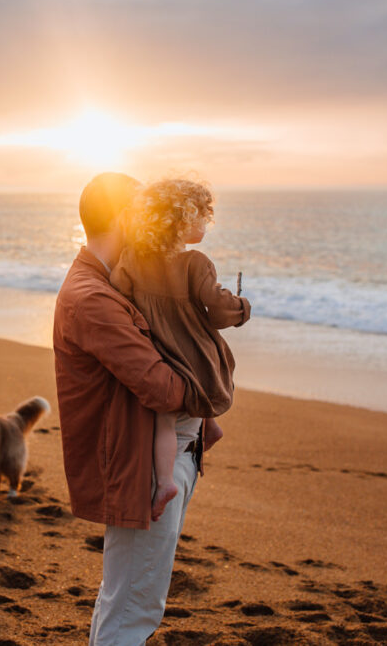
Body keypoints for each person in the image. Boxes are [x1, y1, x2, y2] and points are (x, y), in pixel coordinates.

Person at [53, 172, 210, 645]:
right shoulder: (93, 298)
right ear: (125, 217)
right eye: (144, 210)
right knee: (135, 607)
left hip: (159, 452)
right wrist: (210, 377)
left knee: (124, 598)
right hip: (139, 462)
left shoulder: (116, 282)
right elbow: (163, 388)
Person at [111, 177, 251, 522]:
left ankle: (209, 428)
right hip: (191, 352)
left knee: (163, 418)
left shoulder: (132, 258)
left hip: (158, 350)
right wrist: (242, 306)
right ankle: (165, 483)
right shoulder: (195, 263)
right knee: (179, 401)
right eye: (203, 217)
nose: (206, 224)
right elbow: (217, 310)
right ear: (184, 220)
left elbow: (119, 294)